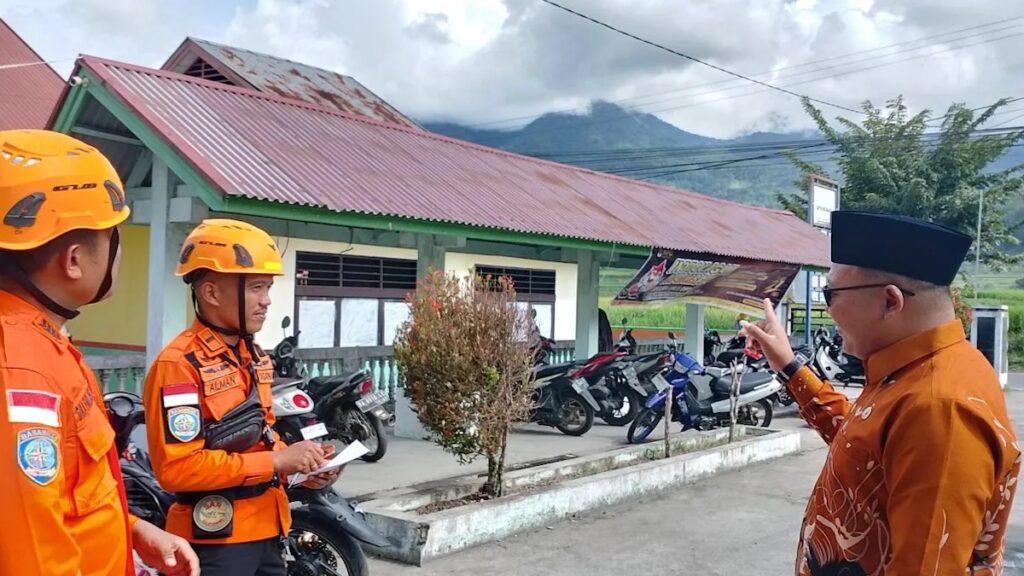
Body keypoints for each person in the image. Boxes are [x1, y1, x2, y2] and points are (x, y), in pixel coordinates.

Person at [741, 210, 1020, 576]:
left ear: (890, 301)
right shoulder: (915, 373)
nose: (829, 309)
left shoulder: (940, 408)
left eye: (832, 294)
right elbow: (861, 448)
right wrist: (790, 366)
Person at [0, 129, 199, 576]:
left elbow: (60, 497)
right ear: (73, 259)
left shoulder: (43, 342)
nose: (118, 252)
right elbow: (31, 556)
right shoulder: (20, 368)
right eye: (112, 236)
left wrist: (130, 531)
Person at [144, 218, 339, 575]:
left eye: (268, 289)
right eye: (256, 289)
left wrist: (304, 469)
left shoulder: (254, 356)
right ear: (212, 293)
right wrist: (277, 463)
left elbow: (264, 439)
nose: (266, 302)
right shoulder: (179, 365)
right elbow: (177, 469)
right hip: (216, 543)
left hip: (267, 530)